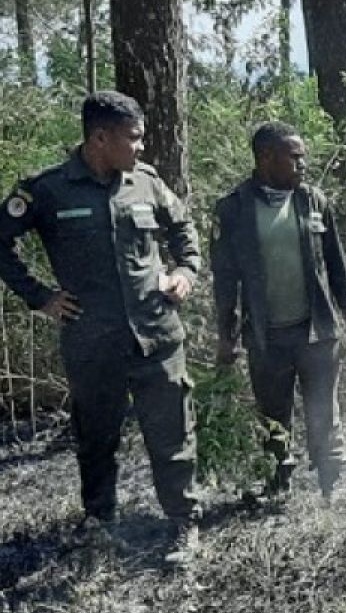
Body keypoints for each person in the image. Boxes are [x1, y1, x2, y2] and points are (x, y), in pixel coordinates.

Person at [0, 91, 202, 561]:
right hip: (93, 343)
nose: (141, 148)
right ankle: (100, 526)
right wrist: (41, 298)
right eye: (133, 139)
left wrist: (183, 273)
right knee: (96, 438)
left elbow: (184, 229)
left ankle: (183, 523)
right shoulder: (47, 190)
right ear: (100, 138)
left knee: (172, 433)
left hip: (157, 335)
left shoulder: (146, 182)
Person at [211, 122, 346, 499]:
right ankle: (278, 484)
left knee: (324, 411)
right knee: (273, 415)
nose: (302, 164)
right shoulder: (233, 209)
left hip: (316, 331)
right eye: (294, 157)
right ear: (266, 158)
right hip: (266, 335)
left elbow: (336, 263)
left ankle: (332, 486)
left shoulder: (313, 201)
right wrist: (226, 336)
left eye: (303, 157)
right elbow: (225, 280)